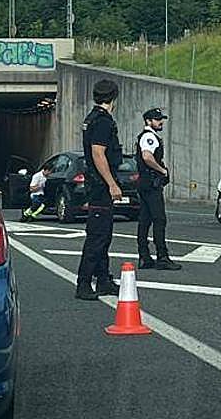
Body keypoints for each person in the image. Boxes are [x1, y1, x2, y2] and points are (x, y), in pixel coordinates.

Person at [75, 79, 124, 300]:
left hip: (96, 184)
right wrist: (112, 183)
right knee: (97, 235)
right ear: (114, 97)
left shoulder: (91, 118)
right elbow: (98, 153)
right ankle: (83, 283)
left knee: (104, 234)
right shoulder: (103, 122)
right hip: (100, 186)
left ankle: (103, 279)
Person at [135, 107, 181, 271]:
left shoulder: (147, 136)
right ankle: (162, 257)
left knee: (145, 220)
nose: (160, 121)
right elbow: (147, 156)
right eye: (157, 119)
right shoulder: (149, 137)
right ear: (148, 121)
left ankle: (144, 256)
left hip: (145, 182)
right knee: (159, 219)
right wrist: (162, 170)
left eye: (161, 118)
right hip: (151, 183)